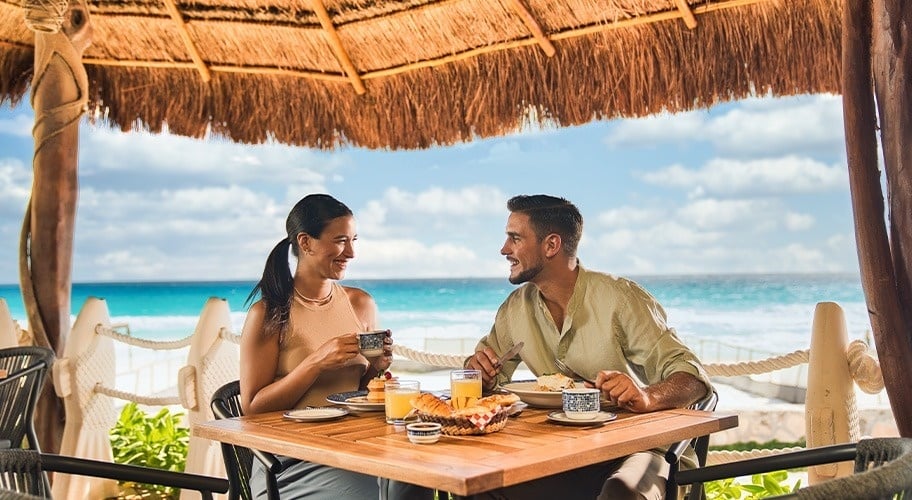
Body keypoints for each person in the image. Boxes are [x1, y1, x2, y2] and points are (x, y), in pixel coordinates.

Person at [467, 194, 712, 500]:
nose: (504, 249)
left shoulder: (620, 298)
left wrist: (647, 396)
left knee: (621, 493)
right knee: (481, 485)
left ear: (551, 245)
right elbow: (484, 377)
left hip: (637, 448)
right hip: (563, 451)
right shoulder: (514, 310)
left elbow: (692, 377)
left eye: (515, 238)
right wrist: (479, 371)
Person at [240, 193, 431, 500]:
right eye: (341, 240)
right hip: (291, 463)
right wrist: (316, 362)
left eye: (354, 239)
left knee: (421, 478)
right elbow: (252, 408)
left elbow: (359, 393)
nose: (351, 252)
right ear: (306, 242)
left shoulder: (360, 304)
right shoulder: (269, 313)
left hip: (356, 446)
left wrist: (375, 370)